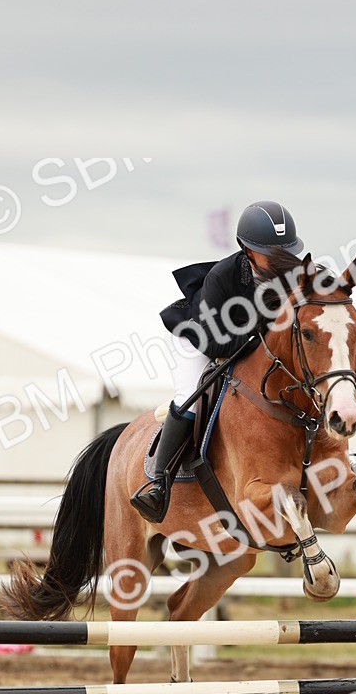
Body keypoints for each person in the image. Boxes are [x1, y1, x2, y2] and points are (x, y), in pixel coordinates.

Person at [130, 199, 305, 522]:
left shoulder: (292, 274)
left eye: (286, 251)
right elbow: (213, 341)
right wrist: (261, 333)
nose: (282, 260)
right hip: (199, 337)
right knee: (189, 399)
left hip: (249, 343)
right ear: (248, 250)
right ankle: (159, 483)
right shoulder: (222, 276)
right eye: (273, 252)